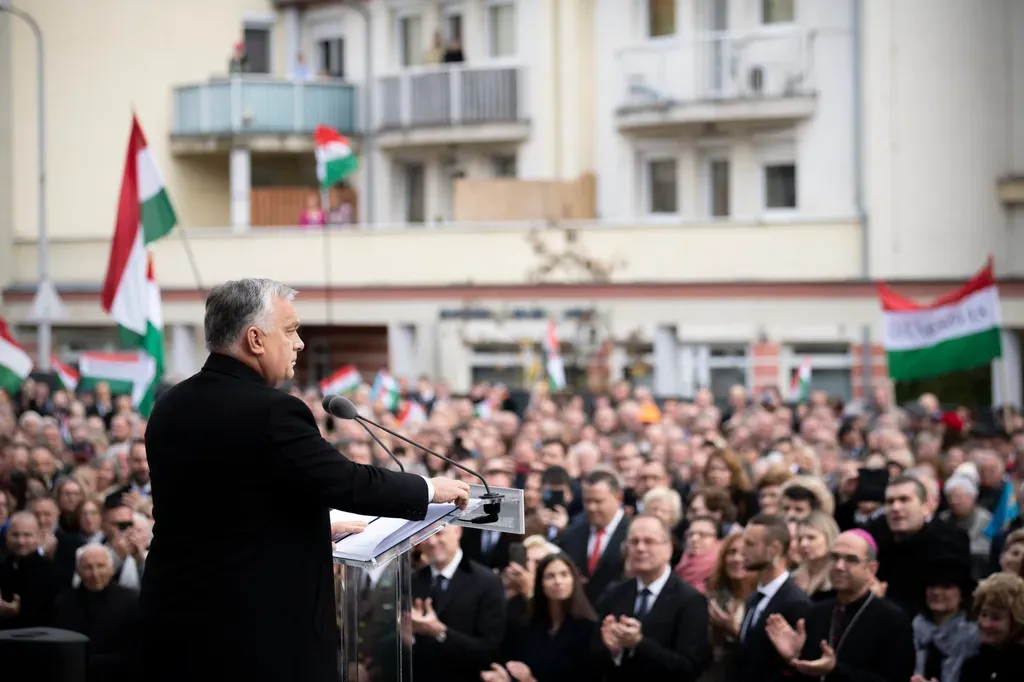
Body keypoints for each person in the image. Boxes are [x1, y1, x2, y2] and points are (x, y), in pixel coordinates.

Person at [139, 279, 472, 682]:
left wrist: (312, 528)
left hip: (175, 622)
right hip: (254, 637)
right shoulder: (273, 411)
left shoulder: (171, 404)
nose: (299, 343)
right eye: (291, 329)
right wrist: (430, 488)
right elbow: (345, 482)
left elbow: (219, 510)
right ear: (256, 339)